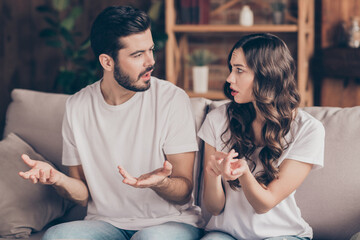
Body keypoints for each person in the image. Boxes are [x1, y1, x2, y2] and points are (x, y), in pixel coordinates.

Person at [18, 5, 204, 240]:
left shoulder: (172, 99)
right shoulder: (77, 106)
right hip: (105, 224)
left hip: (170, 223)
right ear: (107, 62)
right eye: (137, 55)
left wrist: (161, 183)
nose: (151, 62)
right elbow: (83, 194)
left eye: (151, 50)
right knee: (57, 236)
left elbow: (184, 191)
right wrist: (57, 179)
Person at [198, 33, 325, 240]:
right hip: (225, 233)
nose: (230, 78)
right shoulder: (217, 119)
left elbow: (264, 204)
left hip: (281, 234)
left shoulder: (308, 129)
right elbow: (214, 208)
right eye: (231, 69)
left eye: (239, 70)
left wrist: (244, 173)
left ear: (268, 75)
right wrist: (213, 174)